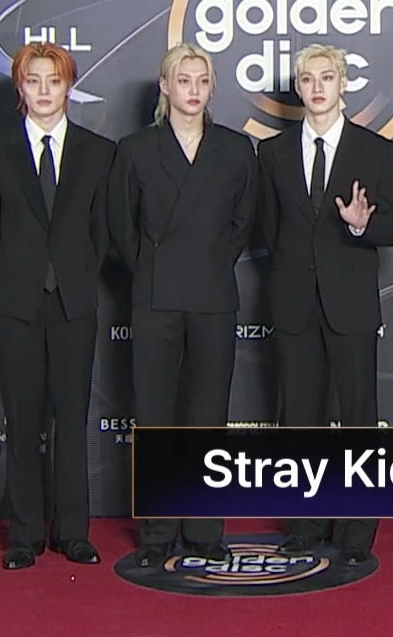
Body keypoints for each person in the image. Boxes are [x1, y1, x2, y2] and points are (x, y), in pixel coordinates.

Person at [256, 43, 393, 566]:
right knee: (300, 419)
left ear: (344, 84)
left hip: (351, 305)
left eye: (327, 77)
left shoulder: (375, 150)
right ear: (298, 88)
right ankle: (305, 524)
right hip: (293, 303)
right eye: (307, 79)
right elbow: (268, 228)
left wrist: (364, 226)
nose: (317, 87)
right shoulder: (272, 152)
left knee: (359, 418)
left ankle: (357, 529)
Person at [106, 42, 257, 567]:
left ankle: (204, 529)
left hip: (213, 295)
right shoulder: (135, 149)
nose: (193, 90)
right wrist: (152, 269)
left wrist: (210, 262)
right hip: (155, 297)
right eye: (184, 80)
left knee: (208, 417)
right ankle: (157, 532)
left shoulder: (236, 149)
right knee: (155, 417)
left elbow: (244, 223)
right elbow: (121, 226)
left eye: (202, 80)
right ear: (165, 87)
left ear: (212, 89)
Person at [0, 43, 115, 570]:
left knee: (72, 420)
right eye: (34, 80)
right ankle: (25, 534)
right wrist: (19, 281)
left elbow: (103, 232)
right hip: (17, 304)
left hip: (74, 302)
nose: (45, 90)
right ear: (20, 88)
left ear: (69, 85)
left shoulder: (99, 152)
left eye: (54, 80)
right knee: (22, 419)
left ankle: (73, 532)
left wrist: (74, 275)